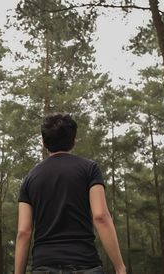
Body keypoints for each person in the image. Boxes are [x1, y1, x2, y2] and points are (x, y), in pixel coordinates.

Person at [14, 113, 126, 274]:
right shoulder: (90, 169)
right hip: (85, 263)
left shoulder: (30, 178)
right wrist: (120, 267)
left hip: (44, 265)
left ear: (44, 142)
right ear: (74, 140)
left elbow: (24, 232)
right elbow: (101, 216)